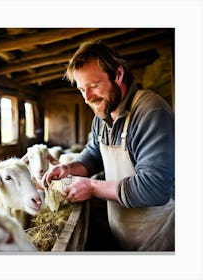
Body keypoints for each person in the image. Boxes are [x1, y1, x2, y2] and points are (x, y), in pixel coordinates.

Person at [43, 40, 175, 251]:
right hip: (124, 231)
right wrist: (68, 168)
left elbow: (154, 188)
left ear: (118, 74)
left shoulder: (150, 111)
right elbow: (94, 155)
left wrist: (93, 187)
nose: (88, 98)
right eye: (81, 89)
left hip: (159, 236)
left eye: (94, 86)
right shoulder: (102, 115)